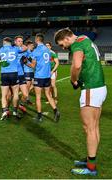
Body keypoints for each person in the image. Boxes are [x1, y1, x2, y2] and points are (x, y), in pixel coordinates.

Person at [54, 28, 107, 176]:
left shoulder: (76, 44)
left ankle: (91, 168)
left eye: (62, 45)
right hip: (99, 86)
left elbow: (76, 65)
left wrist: (73, 80)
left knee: (89, 128)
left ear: (66, 38)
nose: (64, 48)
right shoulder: (84, 38)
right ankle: (91, 160)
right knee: (94, 127)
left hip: (91, 88)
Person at [25, 33, 60, 122]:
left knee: (38, 97)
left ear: (37, 40)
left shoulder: (36, 51)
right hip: (47, 75)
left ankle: (39, 116)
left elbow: (33, 66)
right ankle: (55, 110)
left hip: (39, 76)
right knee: (48, 95)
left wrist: (25, 62)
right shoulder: (47, 50)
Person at [0, 37, 20, 120]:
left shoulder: (1, 49)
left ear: (5, 42)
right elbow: (24, 49)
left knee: (3, 95)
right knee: (15, 93)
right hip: (13, 73)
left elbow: (1, 61)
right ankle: (15, 111)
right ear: (10, 42)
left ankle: (4, 111)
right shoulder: (15, 49)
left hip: (4, 73)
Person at [14, 35, 28, 113]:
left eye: (22, 41)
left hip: (21, 74)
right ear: (15, 42)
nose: (21, 42)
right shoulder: (12, 50)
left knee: (25, 95)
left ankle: (21, 105)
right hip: (13, 75)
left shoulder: (24, 51)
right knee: (10, 95)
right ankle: (7, 109)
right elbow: (25, 47)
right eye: (19, 41)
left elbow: (27, 59)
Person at [23, 40, 35, 104]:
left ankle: (27, 99)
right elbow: (23, 60)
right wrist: (31, 65)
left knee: (32, 84)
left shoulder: (31, 52)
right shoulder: (26, 52)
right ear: (28, 46)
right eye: (32, 45)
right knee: (27, 87)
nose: (33, 46)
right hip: (27, 71)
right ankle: (22, 102)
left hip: (31, 71)